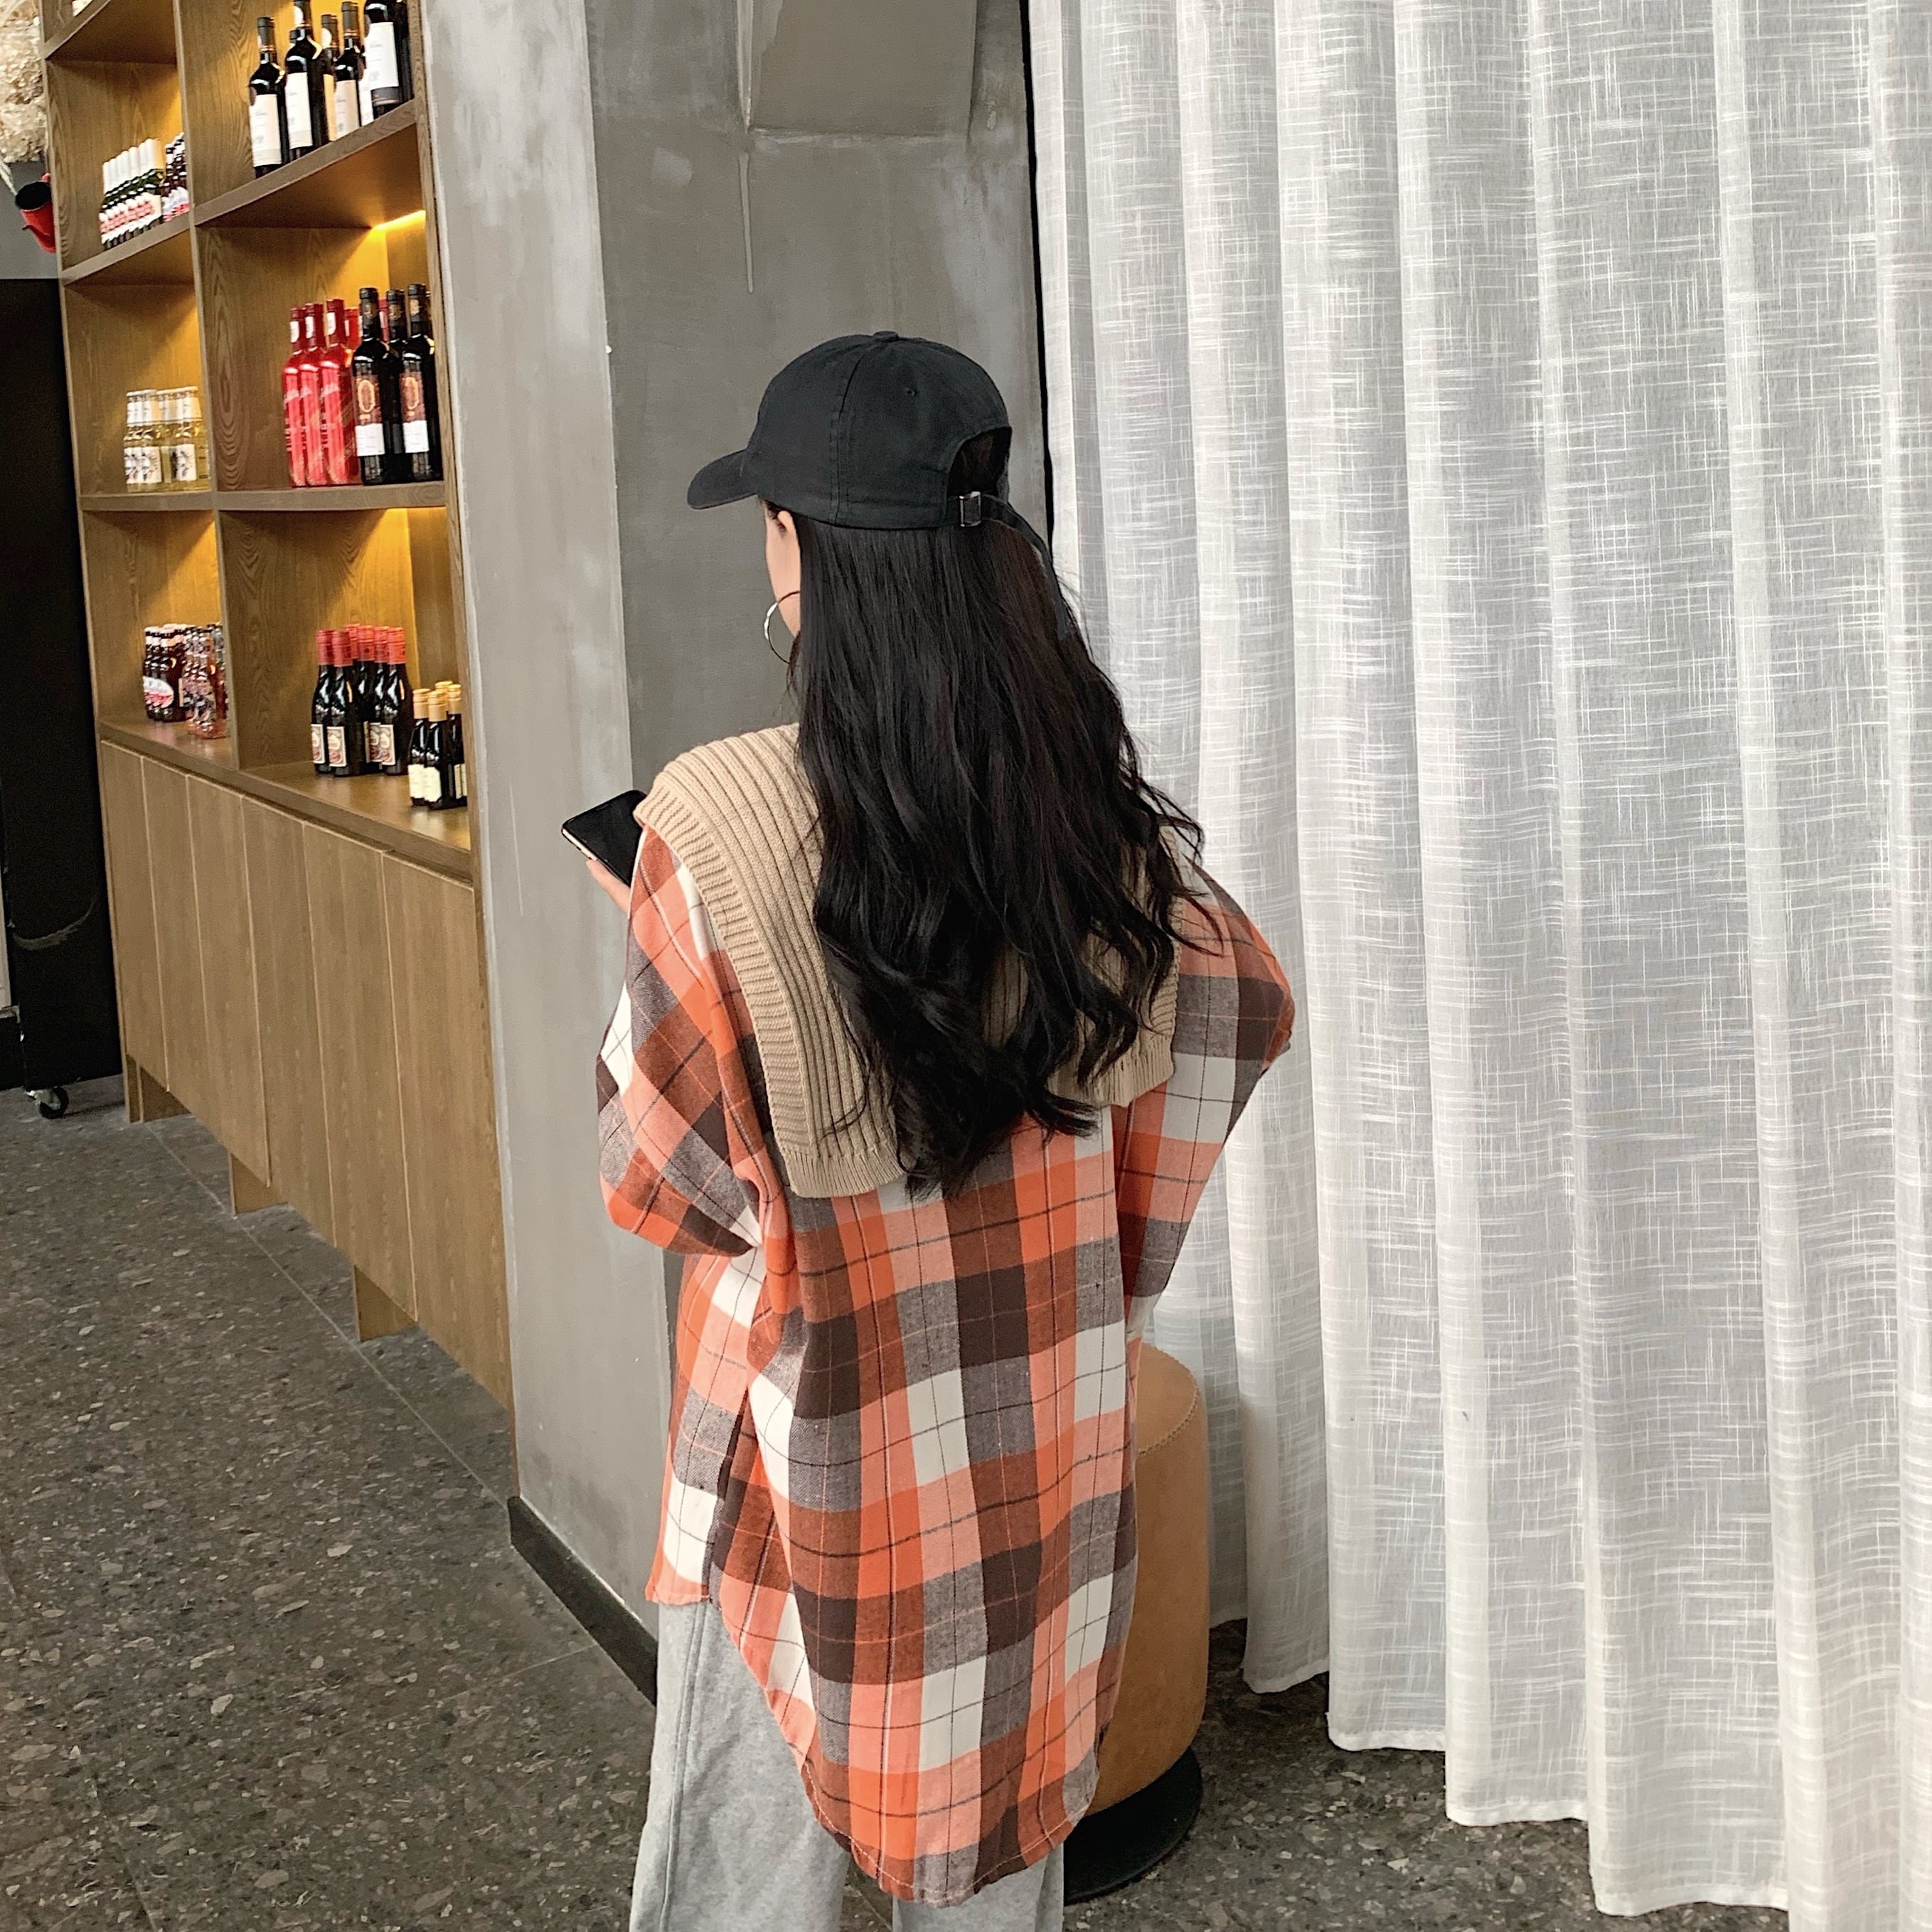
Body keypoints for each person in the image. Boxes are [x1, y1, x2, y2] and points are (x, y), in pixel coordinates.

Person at [592, 331, 1293, 1932]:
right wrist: (1111, 1235)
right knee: (997, 1843)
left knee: (739, 1873)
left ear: (798, 547)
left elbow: (658, 1182)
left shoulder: (711, 827)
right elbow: (1239, 1006)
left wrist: (680, 957)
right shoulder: (1091, 822)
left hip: (800, 1452)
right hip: (1039, 1426)